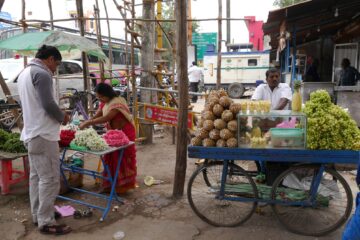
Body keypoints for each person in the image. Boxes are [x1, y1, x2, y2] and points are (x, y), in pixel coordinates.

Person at [17, 45, 71, 235]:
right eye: (56, 63)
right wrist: (62, 116)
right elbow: (48, 104)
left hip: (31, 133)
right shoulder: (43, 73)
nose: (55, 68)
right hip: (43, 135)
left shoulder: (25, 73)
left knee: (37, 177)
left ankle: (38, 214)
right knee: (49, 179)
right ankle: (46, 221)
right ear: (49, 59)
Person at [79, 83, 137, 193]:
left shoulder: (117, 103)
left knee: (122, 160)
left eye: (101, 97)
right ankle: (110, 184)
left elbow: (106, 117)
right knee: (110, 157)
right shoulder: (105, 103)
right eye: (98, 97)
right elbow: (99, 113)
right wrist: (88, 121)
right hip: (113, 134)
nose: (99, 99)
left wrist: (88, 123)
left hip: (125, 133)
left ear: (107, 94)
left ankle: (122, 187)